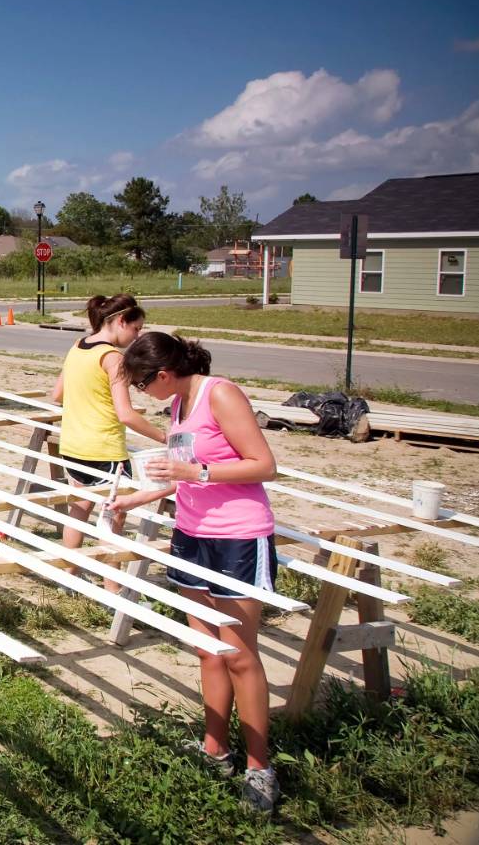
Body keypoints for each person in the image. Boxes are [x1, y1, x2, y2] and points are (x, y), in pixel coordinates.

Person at [107, 331, 280, 813]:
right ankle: (214, 748)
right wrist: (135, 498)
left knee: (240, 656)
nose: (142, 395)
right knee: (208, 651)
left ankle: (259, 766)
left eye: (143, 385)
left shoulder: (220, 393)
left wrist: (199, 473)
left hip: (237, 538)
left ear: (163, 374)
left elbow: (264, 465)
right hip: (192, 534)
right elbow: (180, 476)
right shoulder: (179, 404)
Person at [50, 294, 165, 579]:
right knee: (112, 517)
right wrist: (165, 437)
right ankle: (112, 587)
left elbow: (57, 394)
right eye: (136, 329)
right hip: (104, 448)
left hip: (73, 444)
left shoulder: (77, 346)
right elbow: (126, 414)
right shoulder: (113, 358)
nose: (137, 336)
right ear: (121, 321)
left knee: (79, 509)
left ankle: (70, 575)